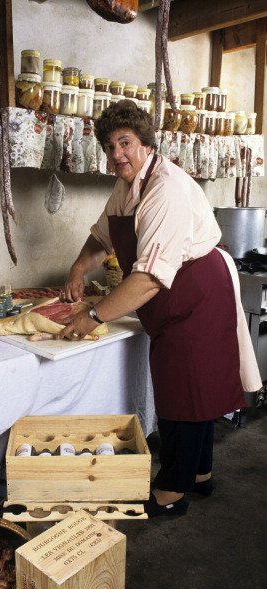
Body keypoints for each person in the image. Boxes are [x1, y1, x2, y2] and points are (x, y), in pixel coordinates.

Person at [59, 100, 262, 517]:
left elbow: (149, 278)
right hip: (174, 293)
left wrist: (92, 316)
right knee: (192, 385)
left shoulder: (166, 190)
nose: (117, 154)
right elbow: (102, 237)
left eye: (126, 142)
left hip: (197, 292)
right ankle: (200, 474)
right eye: (110, 145)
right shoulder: (126, 185)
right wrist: (79, 269)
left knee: (184, 391)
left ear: (146, 143)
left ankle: (173, 491)